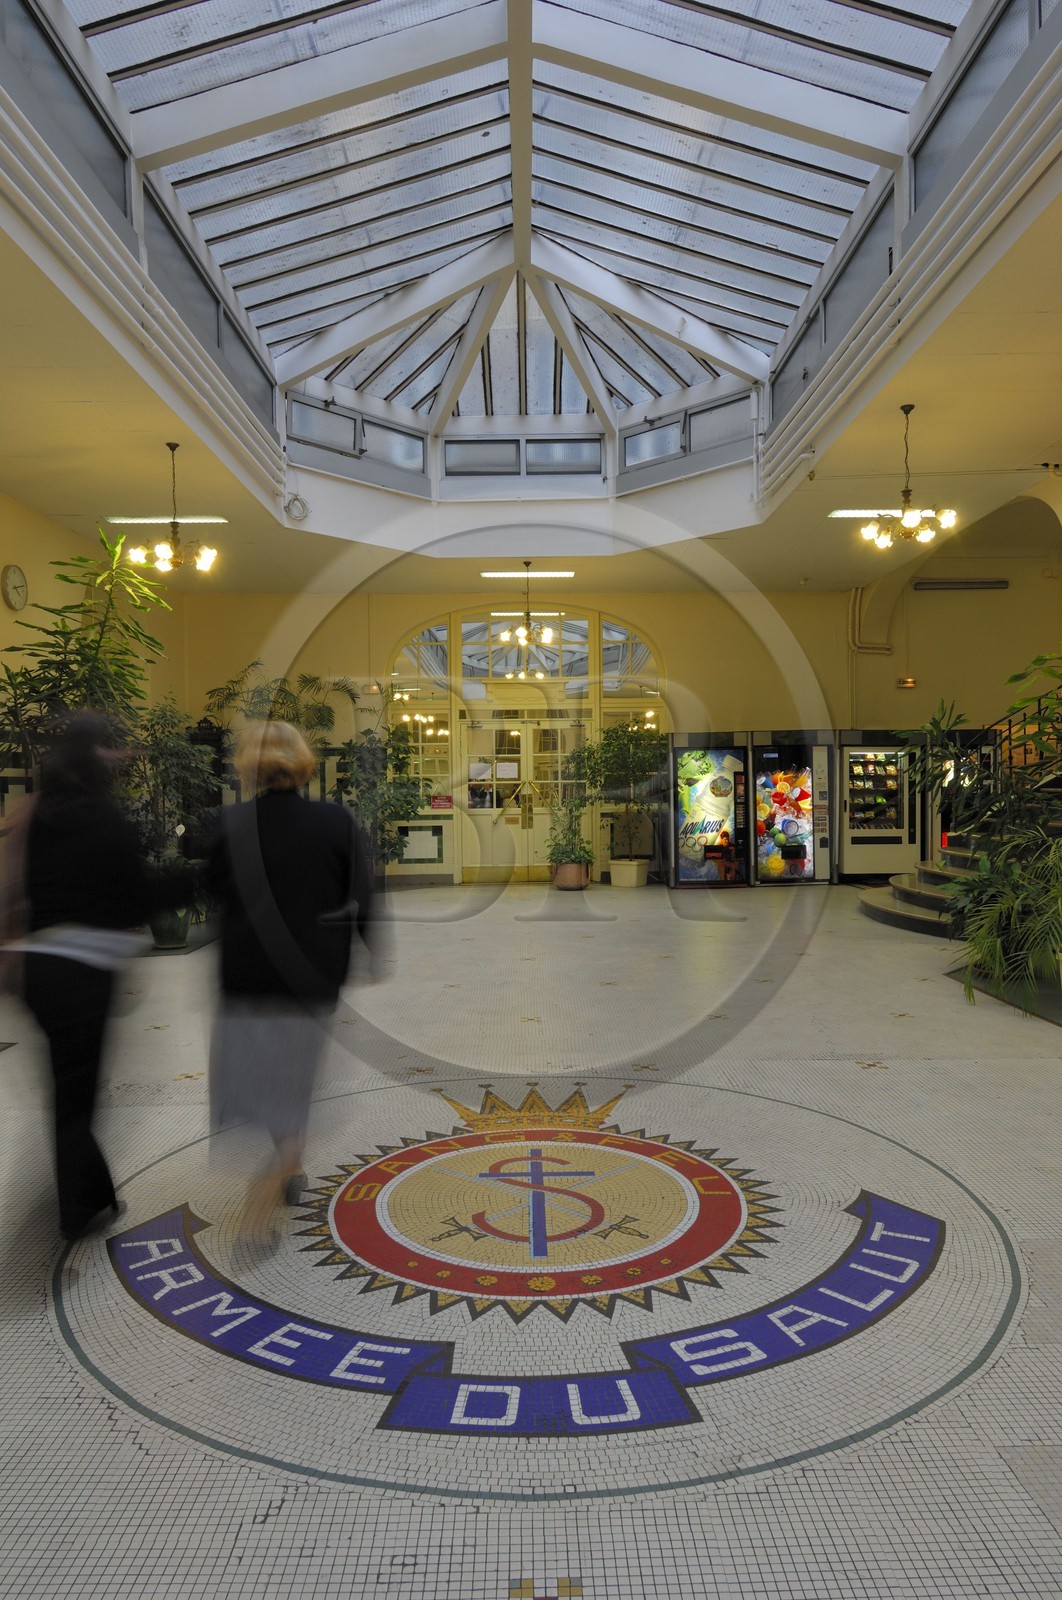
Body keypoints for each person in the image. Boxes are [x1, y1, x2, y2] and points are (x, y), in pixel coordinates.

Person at [206, 720, 378, 1241]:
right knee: (294, 1079)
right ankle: (269, 1190)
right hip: (309, 977)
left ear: (248, 765)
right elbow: (362, 894)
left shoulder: (228, 824)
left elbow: (211, 894)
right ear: (303, 763)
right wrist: (374, 950)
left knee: (259, 1079)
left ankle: (285, 1167)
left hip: (246, 975)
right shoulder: (333, 822)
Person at [14, 713, 150, 1241]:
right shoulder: (106, 820)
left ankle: (91, 1195)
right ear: (95, 757)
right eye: (111, 750)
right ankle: (78, 1207)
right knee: (78, 1092)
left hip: (40, 972)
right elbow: (135, 898)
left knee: (67, 1085)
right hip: (85, 973)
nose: (119, 759)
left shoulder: (35, 814)